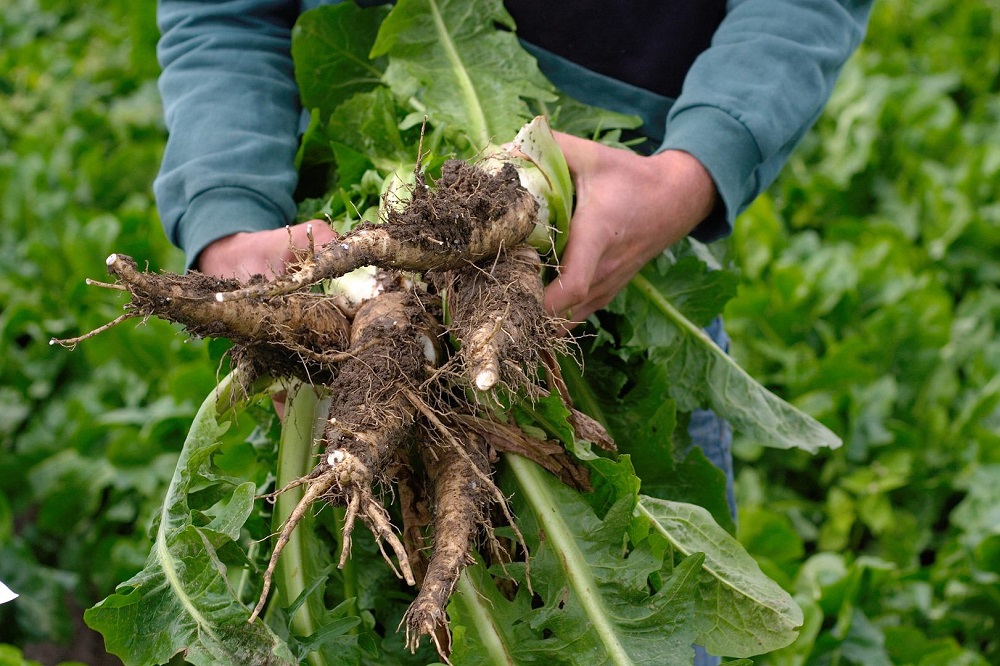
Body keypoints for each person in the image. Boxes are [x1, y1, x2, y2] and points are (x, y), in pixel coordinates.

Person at [154, 1, 872, 663]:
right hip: (332, 352)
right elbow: (224, 12)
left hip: (615, 298)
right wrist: (226, 218)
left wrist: (694, 169)